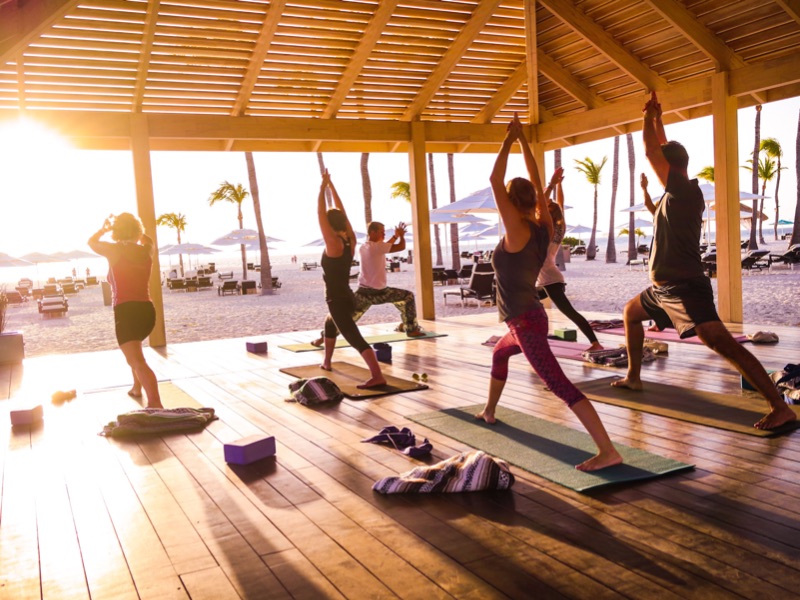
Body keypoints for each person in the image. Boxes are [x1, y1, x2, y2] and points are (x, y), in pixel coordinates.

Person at [612, 91, 796, 431]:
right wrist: (659, 119)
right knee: (630, 312)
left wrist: (647, 114)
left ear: (670, 168)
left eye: (661, 165)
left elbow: (654, 149)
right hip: (662, 291)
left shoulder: (683, 191)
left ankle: (778, 406)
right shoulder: (675, 191)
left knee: (723, 345)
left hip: (684, 290)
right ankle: (633, 377)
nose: (656, 168)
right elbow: (664, 149)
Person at [475, 114, 622, 471]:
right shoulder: (544, 226)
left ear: (511, 203)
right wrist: (523, 140)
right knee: (498, 356)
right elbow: (538, 182)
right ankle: (489, 411)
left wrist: (510, 140)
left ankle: (608, 450)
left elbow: (494, 179)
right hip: (521, 321)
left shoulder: (517, 230)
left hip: (526, 322)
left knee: (559, 385)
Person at [317, 170, 386, 388]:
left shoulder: (333, 244)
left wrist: (322, 190)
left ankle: (377, 375)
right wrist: (331, 186)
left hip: (337, 299)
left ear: (330, 224)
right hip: (346, 295)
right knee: (330, 325)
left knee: (353, 337)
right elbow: (343, 214)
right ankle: (326, 362)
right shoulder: (350, 241)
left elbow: (320, 215)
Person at [311, 220, 425, 349]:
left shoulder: (364, 247)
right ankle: (411, 329)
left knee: (343, 316)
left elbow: (385, 246)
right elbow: (400, 247)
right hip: (376, 293)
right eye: (382, 232)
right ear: (373, 232)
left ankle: (322, 338)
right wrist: (401, 236)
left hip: (368, 292)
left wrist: (394, 237)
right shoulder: (377, 247)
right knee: (408, 297)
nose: (384, 235)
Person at [88, 213, 162, 408]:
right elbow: (149, 239)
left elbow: (92, 242)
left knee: (137, 361)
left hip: (126, 312)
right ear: (137, 231)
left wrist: (104, 229)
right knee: (135, 354)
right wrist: (139, 234)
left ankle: (155, 403)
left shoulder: (114, 250)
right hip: (147, 311)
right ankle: (137, 388)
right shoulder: (147, 249)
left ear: (116, 231)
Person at [537, 168, 603, 351]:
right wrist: (558, 186)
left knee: (570, 313)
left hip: (550, 279)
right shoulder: (558, 227)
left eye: (545, 207)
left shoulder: (548, 231)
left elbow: (540, 203)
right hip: (546, 280)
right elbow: (560, 203)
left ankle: (595, 343)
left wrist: (551, 185)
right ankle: (535, 337)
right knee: (528, 303)